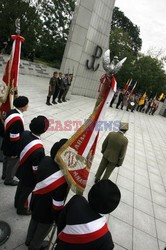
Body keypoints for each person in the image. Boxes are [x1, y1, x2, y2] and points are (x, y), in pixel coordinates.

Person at [25, 139, 69, 250]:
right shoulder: (63, 180)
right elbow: (57, 205)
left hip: (35, 201)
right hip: (46, 212)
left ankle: (28, 240)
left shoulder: (45, 160)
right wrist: (56, 218)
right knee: (42, 230)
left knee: (33, 221)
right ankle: (34, 246)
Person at [54, 179, 121, 250]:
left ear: (91, 192)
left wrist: (61, 240)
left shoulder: (76, 201)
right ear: (111, 208)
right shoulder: (106, 240)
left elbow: (61, 220)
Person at [15, 115, 49, 215]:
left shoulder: (24, 134)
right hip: (29, 175)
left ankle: (16, 203)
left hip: (21, 167)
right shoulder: (39, 149)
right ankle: (20, 209)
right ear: (43, 130)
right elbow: (35, 168)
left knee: (20, 187)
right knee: (25, 193)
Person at [1, 96, 29, 186]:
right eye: (27, 104)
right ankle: (8, 180)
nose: (28, 106)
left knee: (6, 159)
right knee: (12, 163)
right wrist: (15, 152)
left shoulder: (11, 111)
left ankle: (4, 175)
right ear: (22, 107)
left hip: (6, 142)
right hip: (12, 145)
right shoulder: (17, 120)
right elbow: (14, 138)